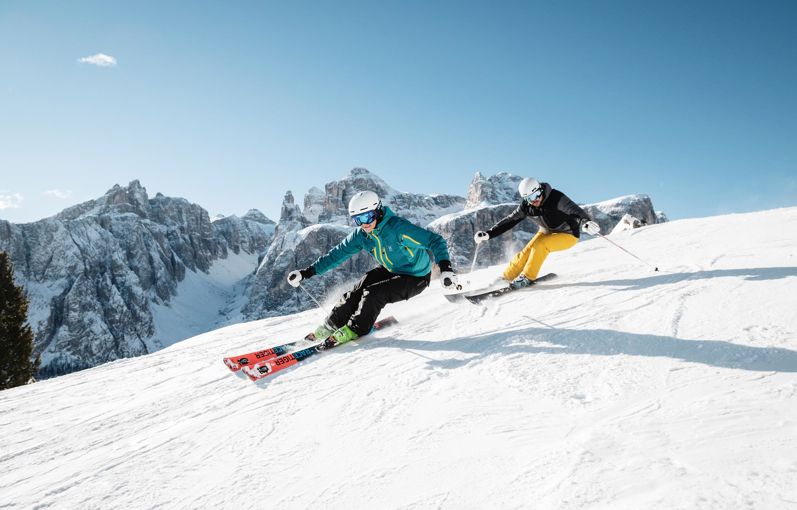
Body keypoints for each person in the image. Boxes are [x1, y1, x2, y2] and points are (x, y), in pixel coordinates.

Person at [287, 190, 458, 346]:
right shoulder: (361, 235)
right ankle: (331, 325)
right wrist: (306, 272)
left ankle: (355, 329)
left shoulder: (398, 228)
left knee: (374, 294)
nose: (364, 224)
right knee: (358, 289)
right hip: (392, 269)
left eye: (367, 217)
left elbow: (435, 241)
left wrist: (445, 268)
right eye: (358, 220)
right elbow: (336, 255)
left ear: (378, 211)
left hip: (416, 276)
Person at [473, 178, 600, 289]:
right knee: (526, 251)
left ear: (540, 190)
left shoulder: (556, 198)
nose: (534, 201)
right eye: (529, 199)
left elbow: (575, 210)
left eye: (535, 196)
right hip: (547, 231)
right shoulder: (526, 206)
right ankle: (507, 277)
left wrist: (586, 222)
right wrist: (489, 234)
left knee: (540, 246)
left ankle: (527, 277)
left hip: (568, 234)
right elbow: (510, 220)